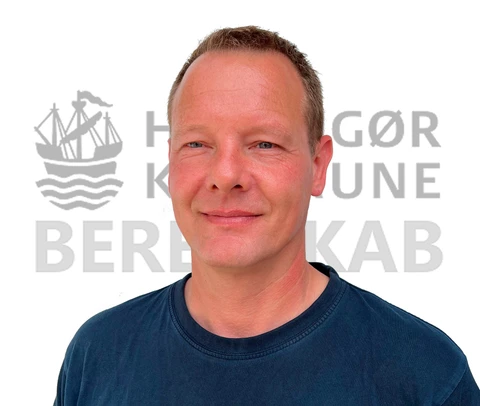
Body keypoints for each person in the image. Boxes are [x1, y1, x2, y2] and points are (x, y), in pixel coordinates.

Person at [53, 26, 479, 405]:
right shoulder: (98, 354)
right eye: (197, 144)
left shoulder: (426, 373)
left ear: (318, 165)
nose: (225, 176)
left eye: (264, 144)